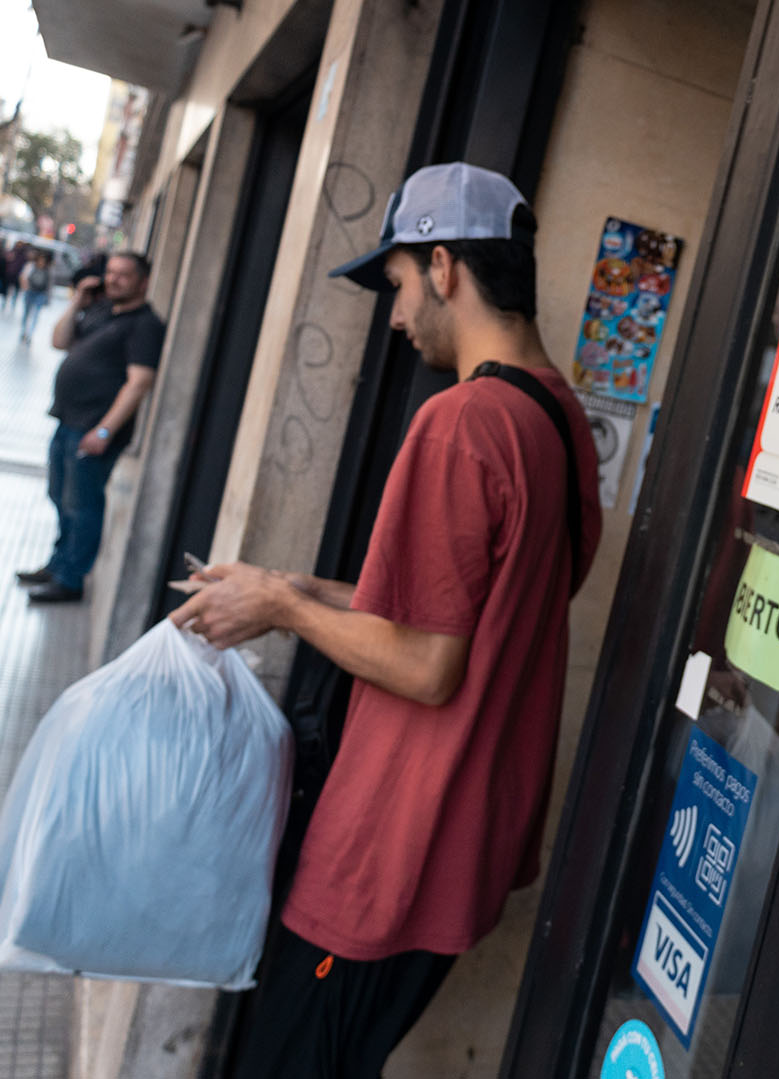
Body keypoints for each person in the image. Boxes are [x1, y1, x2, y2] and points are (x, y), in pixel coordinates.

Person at [168, 162, 602, 1077]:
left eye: (399, 284)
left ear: (444, 266)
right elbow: (473, 616)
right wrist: (288, 584)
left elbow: (427, 664)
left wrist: (281, 606)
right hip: (466, 848)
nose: (396, 315)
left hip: (390, 854)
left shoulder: (461, 421)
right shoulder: (560, 421)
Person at [17, 252, 165, 602]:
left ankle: (71, 580)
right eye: (110, 273)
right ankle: (58, 564)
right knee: (60, 495)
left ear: (143, 282)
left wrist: (104, 431)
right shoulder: (100, 311)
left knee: (82, 506)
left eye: (123, 275)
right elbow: (58, 340)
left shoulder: (145, 325)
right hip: (68, 421)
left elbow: (139, 383)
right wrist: (77, 303)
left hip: (94, 430)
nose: (113, 280)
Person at [19, 250, 53, 343]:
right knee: (26, 313)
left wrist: (48, 298)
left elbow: (49, 285)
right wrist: (25, 288)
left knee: (36, 314)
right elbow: (23, 276)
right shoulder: (31, 266)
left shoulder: (48, 270)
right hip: (30, 291)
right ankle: (23, 331)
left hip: (40, 294)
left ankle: (30, 334)